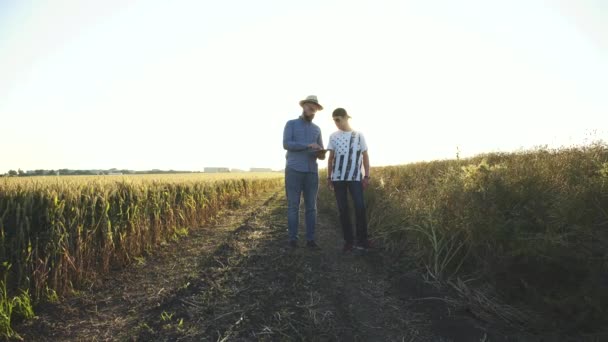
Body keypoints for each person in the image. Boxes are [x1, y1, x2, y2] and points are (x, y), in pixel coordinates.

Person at [283, 95, 327, 249]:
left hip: (312, 172)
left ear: (316, 110)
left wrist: (321, 153)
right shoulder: (291, 124)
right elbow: (286, 144)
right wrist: (308, 145)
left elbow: (320, 154)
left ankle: (310, 240)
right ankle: (293, 239)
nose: (312, 107)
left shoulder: (317, 129)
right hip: (294, 170)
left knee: (311, 207)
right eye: (310, 104)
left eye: (315, 106)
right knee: (293, 206)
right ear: (304, 106)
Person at [326, 108, 371, 253]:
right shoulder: (333, 136)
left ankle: (363, 240)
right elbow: (330, 158)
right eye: (334, 121)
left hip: (355, 178)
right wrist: (329, 177)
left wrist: (367, 176)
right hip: (338, 178)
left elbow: (365, 156)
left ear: (346, 118)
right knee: (343, 210)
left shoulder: (359, 135)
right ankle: (348, 241)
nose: (336, 123)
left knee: (360, 207)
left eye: (338, 119)